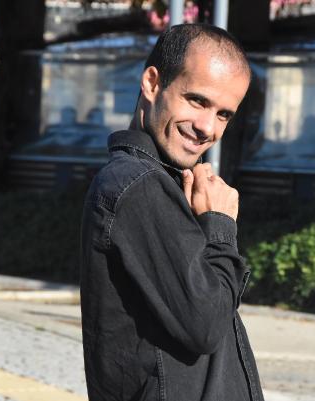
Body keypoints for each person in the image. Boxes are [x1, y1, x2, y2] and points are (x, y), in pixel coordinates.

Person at [80, 24, 264, 401]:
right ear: (152, 84)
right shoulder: (138, 184)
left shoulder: (159, 183)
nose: (207, 127)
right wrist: (220, 228)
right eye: (197, 100)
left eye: (224, 114)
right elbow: (205, 324)